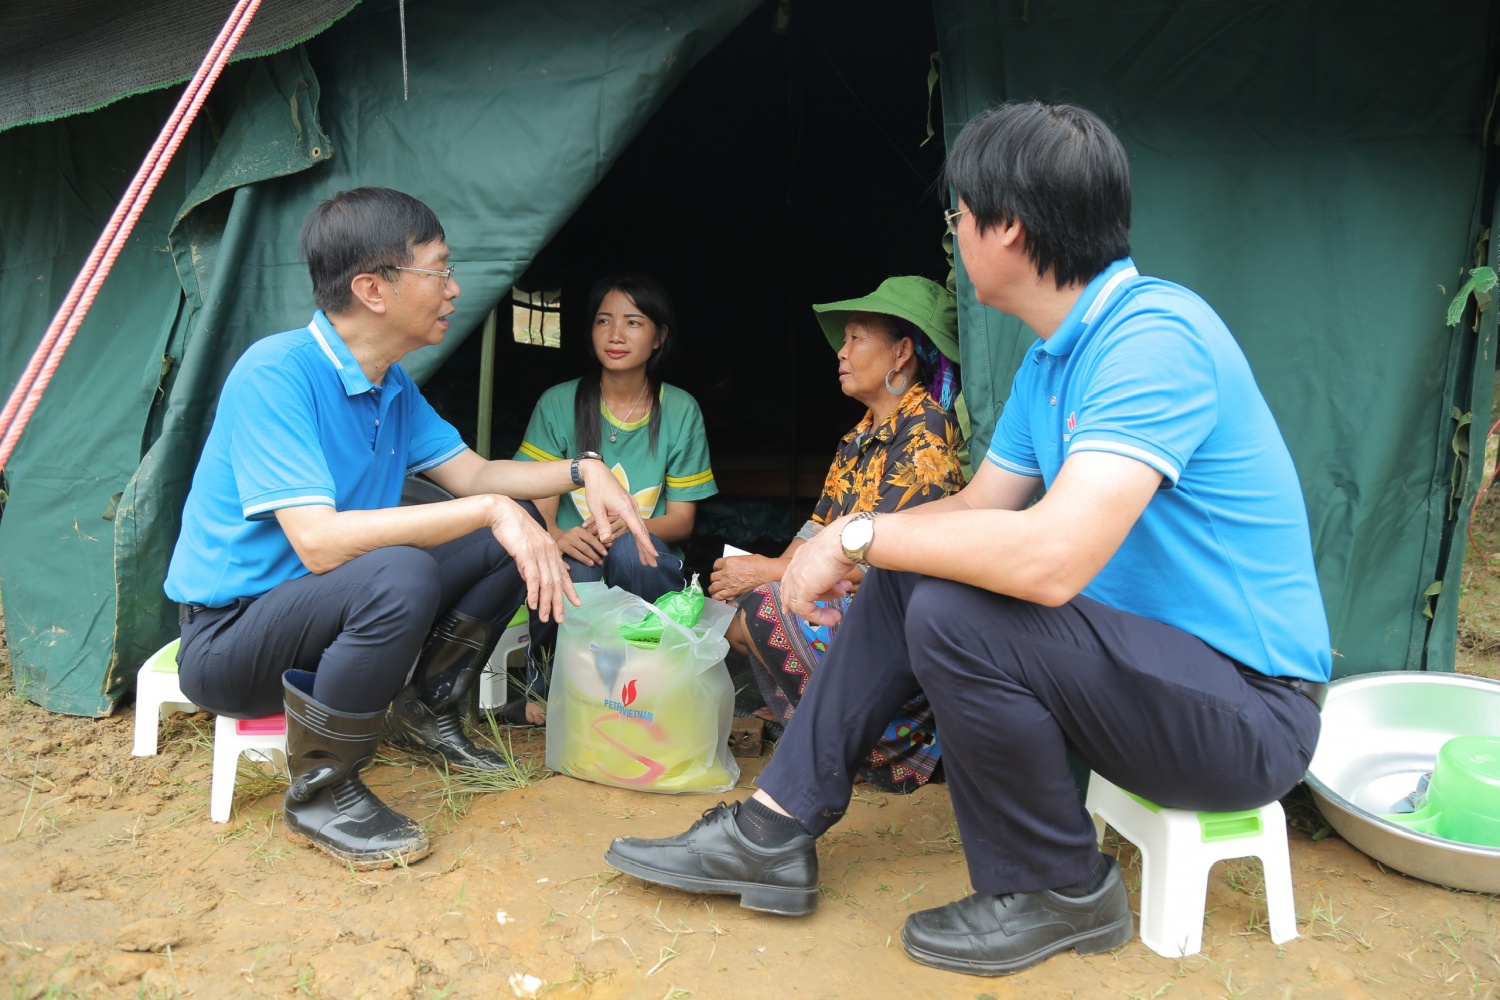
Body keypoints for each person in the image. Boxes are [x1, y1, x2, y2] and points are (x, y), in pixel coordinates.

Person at [603, 101, 1331, 977]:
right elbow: (979, 506)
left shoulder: (1153, 340)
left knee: (947, 603)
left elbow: (1052, 560)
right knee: (911, 567)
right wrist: (852, 545)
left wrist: (857, 537)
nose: (953, 237)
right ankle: (774, 829)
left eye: (958, 217)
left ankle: (1059, 886)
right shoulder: (1052, 360)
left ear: (1007, 227)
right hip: (1141, 677)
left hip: (1246, 714)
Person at [164, 187, 653, 871]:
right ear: (373, 288)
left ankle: (426, 711)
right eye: (440, 270)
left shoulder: (391, 385)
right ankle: (322, 793)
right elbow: (318, 542)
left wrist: (583, 471)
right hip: (232, 643)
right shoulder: (276, 375)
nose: (455, 289)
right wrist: (492, 510)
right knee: (402, 569)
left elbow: (475, 475)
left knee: (504, 537)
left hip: (324, 614)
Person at [708, 276, 966, 792]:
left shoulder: (928, 430)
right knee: (740, 614)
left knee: (763, 609)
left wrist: (767, 575)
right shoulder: (856, 438)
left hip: (898, 616)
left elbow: (892, 560)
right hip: (842, 599)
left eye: (856, 338)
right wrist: (764, 576)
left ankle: (892, 747)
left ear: (901, 353)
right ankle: (829, 730)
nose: (841, 353)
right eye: (844, 340)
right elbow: (816, 529)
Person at [507, 274, 717, 725]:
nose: (616, 334)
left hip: (645, 562)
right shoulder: (559, 403)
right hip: (578, 553)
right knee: (574, 565)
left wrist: (630, 526)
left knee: (624, 547)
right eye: (604, 321)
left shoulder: (680, 410)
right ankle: (553, 685)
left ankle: (645, 680)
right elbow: (538, 501)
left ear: (659, 337)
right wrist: (556, 535)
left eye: (633, 322)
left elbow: (682, 521)